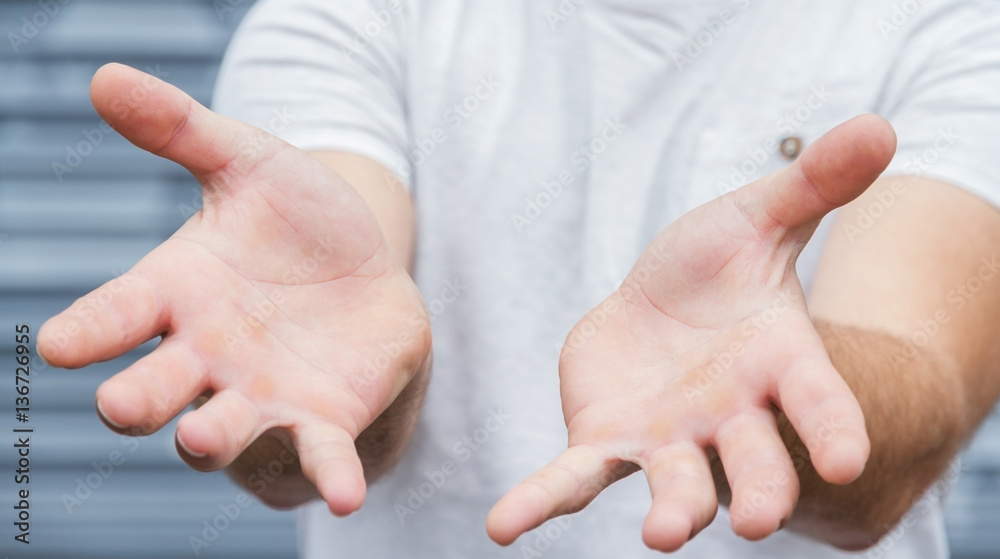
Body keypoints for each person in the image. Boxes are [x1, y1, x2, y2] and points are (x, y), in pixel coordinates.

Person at [38, 0, 1000, 557]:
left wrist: (774, 382)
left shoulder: (952, 24)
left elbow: (919, 400)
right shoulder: (348, 13)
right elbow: (306, 414)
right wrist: (305, 368)